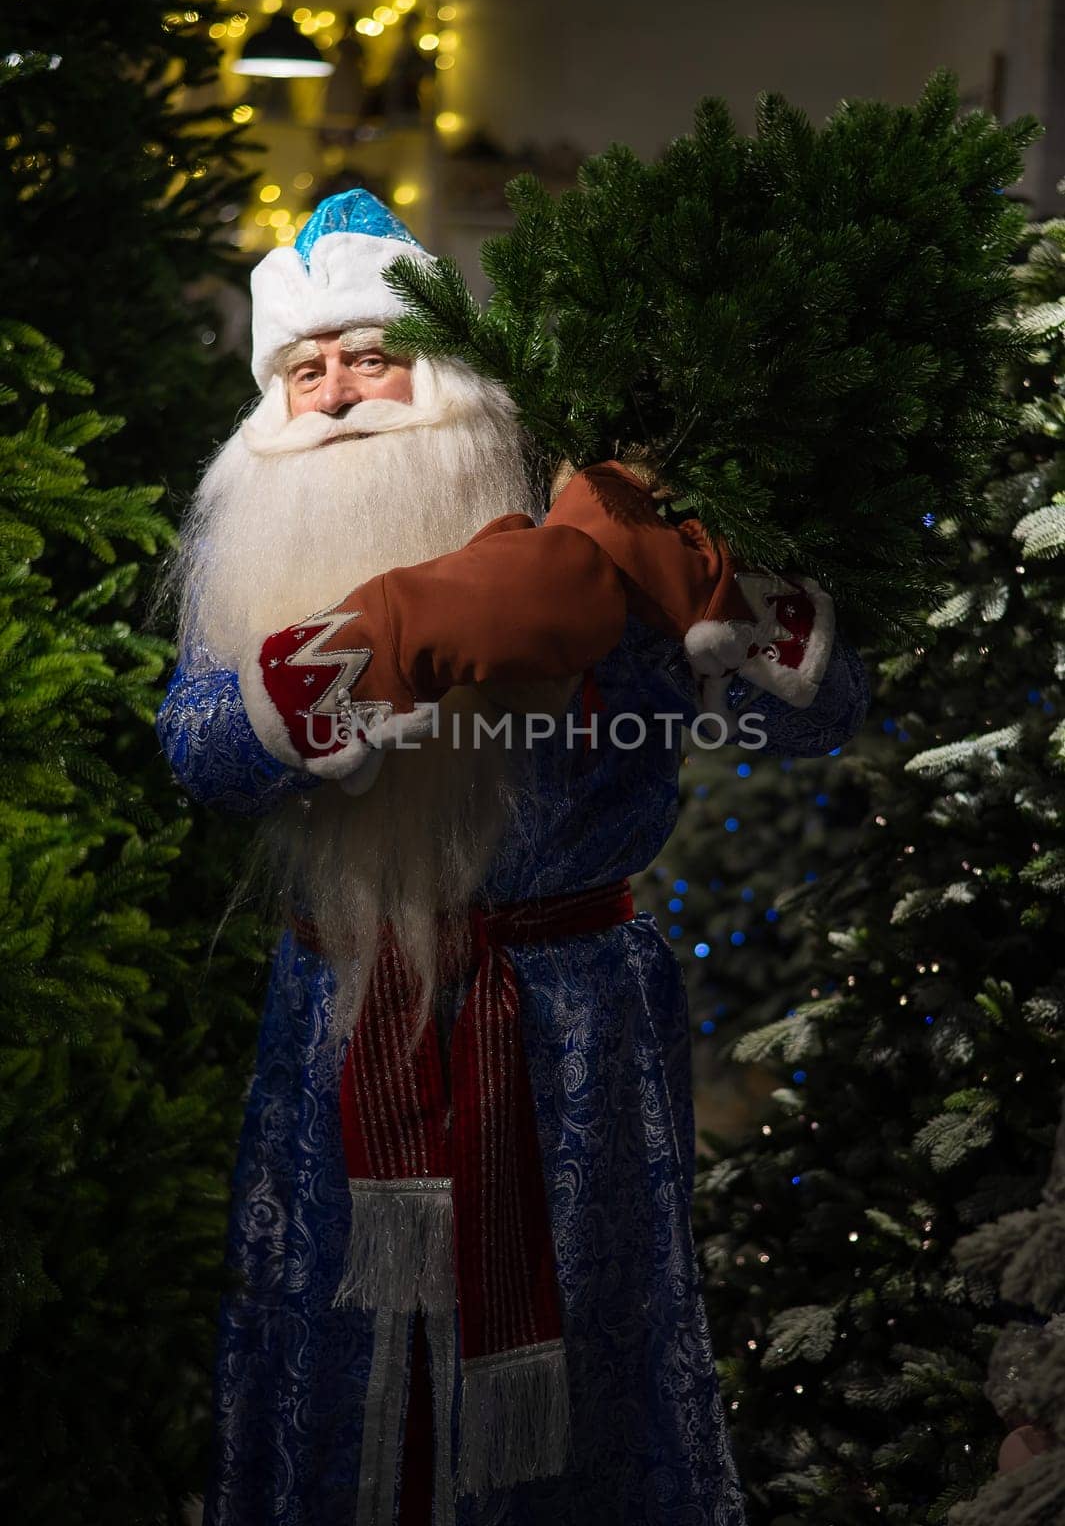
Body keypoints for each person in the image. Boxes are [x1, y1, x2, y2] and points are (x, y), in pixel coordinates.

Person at [158, 189, 870, 1526]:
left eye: (371, 355)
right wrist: (385, 642)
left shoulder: (585, 536)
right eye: (304, 369)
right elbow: (202, 749)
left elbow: (824, 721)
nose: (338, 393)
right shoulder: (251, 568)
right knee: (341, 1340)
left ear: (448, 375)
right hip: (344, 1009)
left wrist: (708, 582)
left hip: (570, 1015)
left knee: (587, 1340)